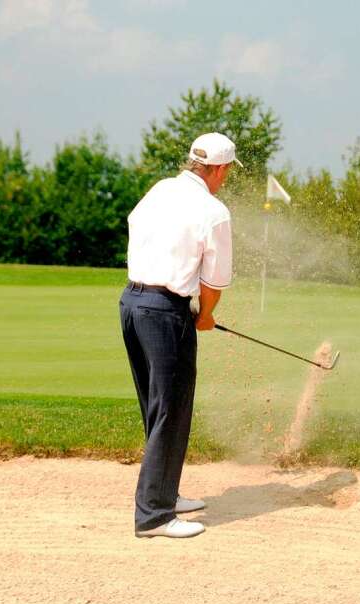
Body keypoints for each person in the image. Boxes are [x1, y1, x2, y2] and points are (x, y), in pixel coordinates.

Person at [120, 132, 240, 539]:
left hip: (132, 303)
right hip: (166, 312)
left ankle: (164, 493)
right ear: (220, 169)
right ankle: (153, 515)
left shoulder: (159, 190)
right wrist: (205, 316)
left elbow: (134, 225)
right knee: (172, 410)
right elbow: (214, 283)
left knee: (157, 408)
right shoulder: (213, 210)